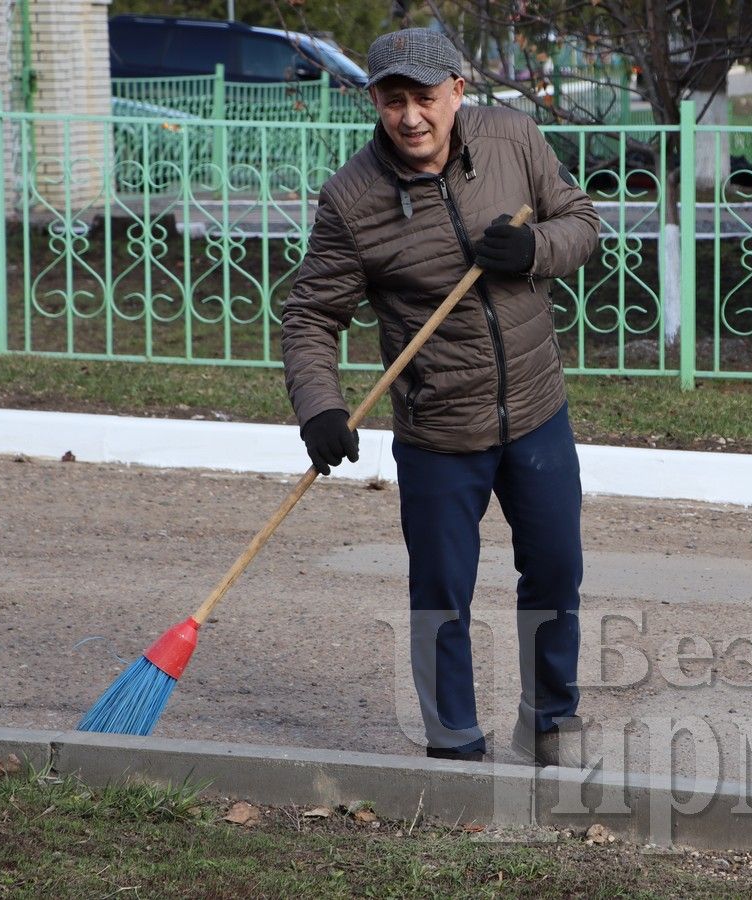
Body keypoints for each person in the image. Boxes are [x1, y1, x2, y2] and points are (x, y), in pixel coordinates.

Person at [279, 27, 600, 765]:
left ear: (457, 89)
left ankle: (550, 722)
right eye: (394, 101)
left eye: (425, 98)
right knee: (440, 594)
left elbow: (580, 223)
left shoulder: (514, 139)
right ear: (375, 101)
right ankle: (454, 743)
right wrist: (319, 407)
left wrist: (532, 252)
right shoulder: (352, 198)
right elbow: (310, 316)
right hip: (437, 430)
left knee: (554, 571)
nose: (411, 117)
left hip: (535, 409)